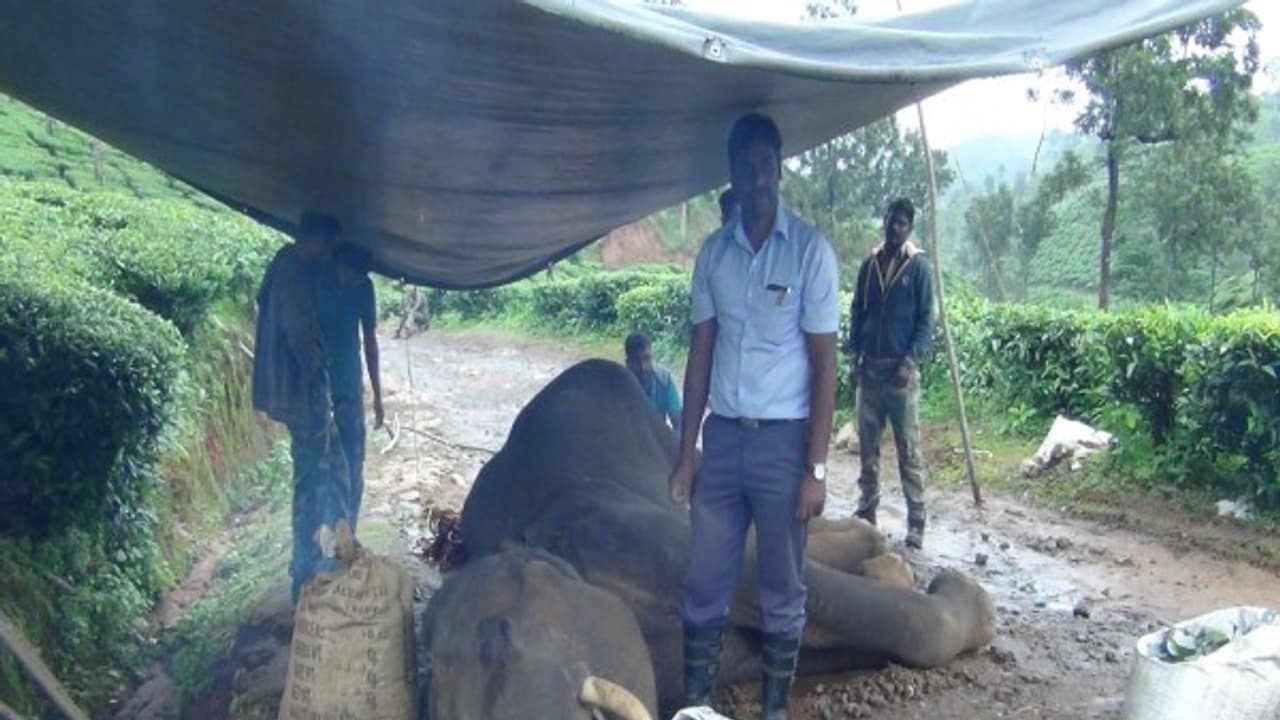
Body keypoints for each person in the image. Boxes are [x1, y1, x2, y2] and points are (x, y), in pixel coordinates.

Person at [670, 113, 839, 720]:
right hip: (723, 441)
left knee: (781, 585)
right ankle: (697, 704)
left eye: (765, 164)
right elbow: (700, 354)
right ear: (733, 175)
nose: (756, 177)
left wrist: (815, 469)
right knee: (703, 578)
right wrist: (686, 455)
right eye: (745, 167)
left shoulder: (811, 253)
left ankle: (773, 710)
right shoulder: (714, 255)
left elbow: (825, 366)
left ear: (779, 169)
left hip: (782, 446)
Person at [251, 211, 351, 603]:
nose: (327, 257)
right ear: (316, 241)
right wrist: (316, 373)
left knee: (325, 470)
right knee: (310, 484)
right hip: (301, 394)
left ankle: (326, 554)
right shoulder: (292, 274)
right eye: (327, 247)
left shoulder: (284, 263)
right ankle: (306, 573)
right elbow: (299, 334)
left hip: (296, 394)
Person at [845, 198, 935, 549]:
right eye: (891, 221)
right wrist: (854, 355)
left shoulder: (918, 269)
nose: (895, 227)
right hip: (870, 370)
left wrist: (909, 362)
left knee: (908, 450)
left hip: (901, 375)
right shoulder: (870, 265)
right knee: (868, 447)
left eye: (902, 223)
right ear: (884, 221)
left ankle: (917, 521)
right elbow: (857, 312)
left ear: (909, 228)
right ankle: (867, 511)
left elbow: (926, 323)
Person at [315, 243, 384, 532]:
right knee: (322, 463)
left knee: (354, 461)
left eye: (359, 277)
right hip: (317, 385)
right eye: (350, 274)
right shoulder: (318, 281)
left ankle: (348, 533)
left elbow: (370, 341)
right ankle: (322, 533)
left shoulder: (364, 289)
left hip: (349, 386)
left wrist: (378, 395)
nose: (352, 281)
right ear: (339, 263)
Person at [624, 332, 682, 434]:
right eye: (636, 361)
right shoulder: (619, 385)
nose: (643, 367)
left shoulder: (664, 380)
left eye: (646, 359)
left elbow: (678, 423)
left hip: (657, 439)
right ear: (628, 363)